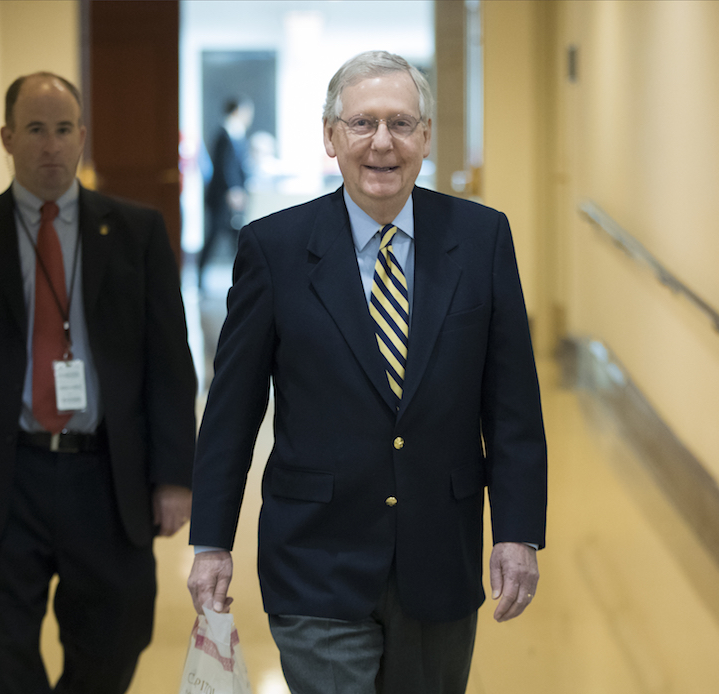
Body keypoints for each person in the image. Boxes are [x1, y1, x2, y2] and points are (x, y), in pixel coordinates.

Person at [187, 51, 547, 694]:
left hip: (441, 554)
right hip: (315, 557)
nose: (383, 142)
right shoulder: (274, 247)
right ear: (330, 136)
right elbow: (232, 410)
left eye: (402, 123)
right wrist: (212, 541)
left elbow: (513, 404)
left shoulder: (482, 237)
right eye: (362, 123)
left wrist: (517, 530)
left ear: (426, 136)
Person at [0, 72, 197, 694]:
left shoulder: (136, 231)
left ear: (82, 136)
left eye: (64, 130)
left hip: (106, 474)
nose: (51, 146)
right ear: (8, 137)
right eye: (36, 130)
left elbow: (170, 363)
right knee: (5, 661)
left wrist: (174, 476)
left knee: (118, 640)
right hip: (3, 477)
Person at [197, 95, 253, 286]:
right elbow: (224, 166)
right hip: (222, 197)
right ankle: (199, 277)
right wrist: (233, 190)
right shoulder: (224, 133)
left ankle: (242, 279)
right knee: (214, 236)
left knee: (235, 238)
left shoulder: (237, 133)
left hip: (231, 195)